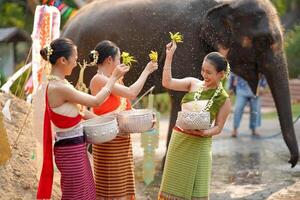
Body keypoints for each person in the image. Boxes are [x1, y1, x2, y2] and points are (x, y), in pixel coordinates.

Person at [37, 38, 129, 200]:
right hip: (70, 151)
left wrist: (113, 122)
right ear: (63, 60)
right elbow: (95, 101)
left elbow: (82, 112)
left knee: (86, 193)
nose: (76, 62)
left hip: (75, 149)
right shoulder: (59, 87)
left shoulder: (62, 84)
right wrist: (113, 78)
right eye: (75, 58)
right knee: (77, 195)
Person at [158, 41, 231, 200]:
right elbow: (167, 82)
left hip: (200, 145)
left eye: (209, 72)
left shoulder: (224, 99)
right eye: (203, 70)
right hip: (179, 141)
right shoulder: (193, 83)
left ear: (221, 74)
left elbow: (218, 128)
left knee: (197, 190)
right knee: (172, 188)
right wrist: (169, 56)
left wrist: (205, 132)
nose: (204, 75)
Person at [89, 40, 158, 199]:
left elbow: (126, 107)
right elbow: (132, 93)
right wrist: (146, 71)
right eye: (118, 59)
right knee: (111, 186)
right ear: (109, 60)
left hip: (122, 139)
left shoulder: (116, 80)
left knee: (123, 185)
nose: (120, 63)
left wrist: (144, 117)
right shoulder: (98, 79)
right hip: (108, 139)